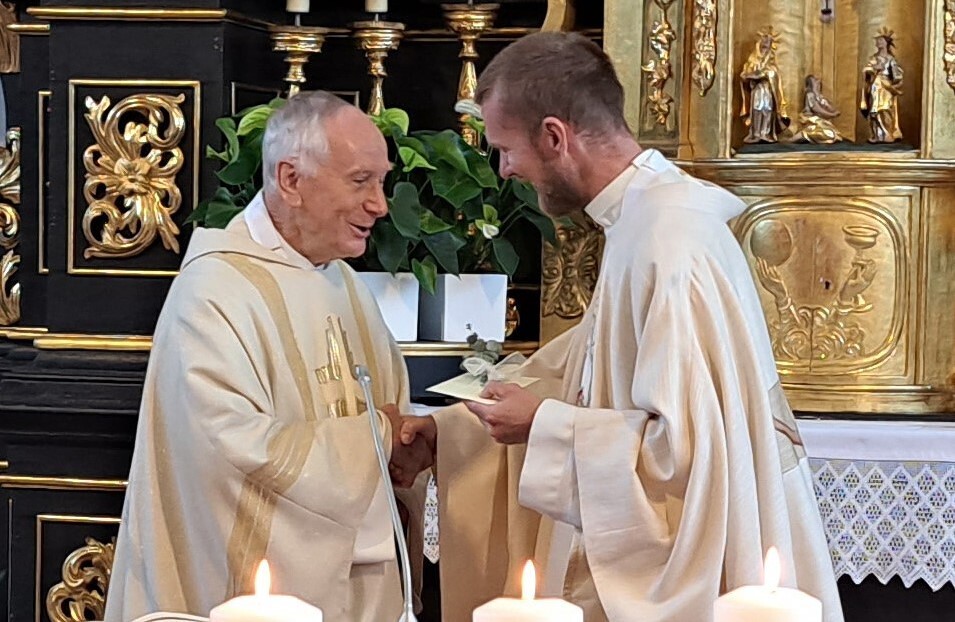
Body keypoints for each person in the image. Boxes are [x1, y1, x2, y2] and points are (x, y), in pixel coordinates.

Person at [399, 32, 843, 622]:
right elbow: (581, 371)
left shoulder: (668, 240)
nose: (504, 171)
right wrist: (451, 432)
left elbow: (685, 455)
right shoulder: (641, 221)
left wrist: (544, 425)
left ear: (555, 136)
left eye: (506, 149)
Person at [105, 91, 432, 622]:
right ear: (290, 179)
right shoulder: (216, 290)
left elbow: (394, 417)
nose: (380, 204)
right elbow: (223, 447)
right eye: (360, 181)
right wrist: (374, 440)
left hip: (365, 587)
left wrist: (411, 448)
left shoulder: (345, 284)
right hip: (253, 591)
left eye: (382, 180)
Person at [739, 28, 790, 143]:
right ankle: (756, 133)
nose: (765, 50)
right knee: (757, 110)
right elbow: (744, 75)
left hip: (767, 91)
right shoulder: (752, 62)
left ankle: (766, 133)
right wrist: (756, 75)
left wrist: (766, 75)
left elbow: (773, 75)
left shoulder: (771, 64)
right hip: (757, 90)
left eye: (767, 47)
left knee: (767, 111)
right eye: (763, 47)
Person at [860, 28, 904, 143]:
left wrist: (897, 77)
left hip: (886, 87)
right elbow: (866, 70)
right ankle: (876, 135)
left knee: (885, 109)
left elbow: (896, 75)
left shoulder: (890, 59)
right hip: (875, 85)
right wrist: (872, 70)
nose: (878, 42)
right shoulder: (873, 58)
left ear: (886, 42)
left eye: (881, 40)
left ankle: (887, 134)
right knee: (874, 111)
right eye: (877, 40)